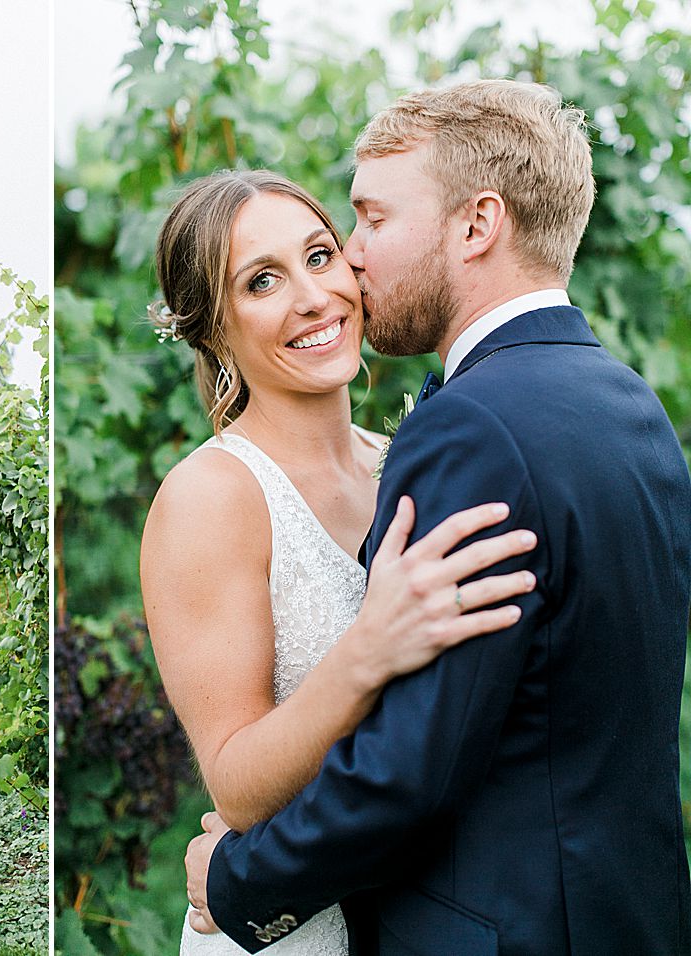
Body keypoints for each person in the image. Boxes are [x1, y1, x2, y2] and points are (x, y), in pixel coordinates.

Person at [183, 81, 691, 955]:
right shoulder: (632, 407)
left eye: (374, 219)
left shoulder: (471, 426)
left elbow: (412, 771)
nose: (352, 256)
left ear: (475, 224)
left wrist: (234, 882)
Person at [142, 167, 537, 956]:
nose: (313, 297)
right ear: (214, 331)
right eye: (262, 282)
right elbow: (237, 788)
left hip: (417, 914)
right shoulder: (211, 496)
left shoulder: (406, 463)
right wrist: (367, 652)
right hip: (295, 931)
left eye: (320, 256)